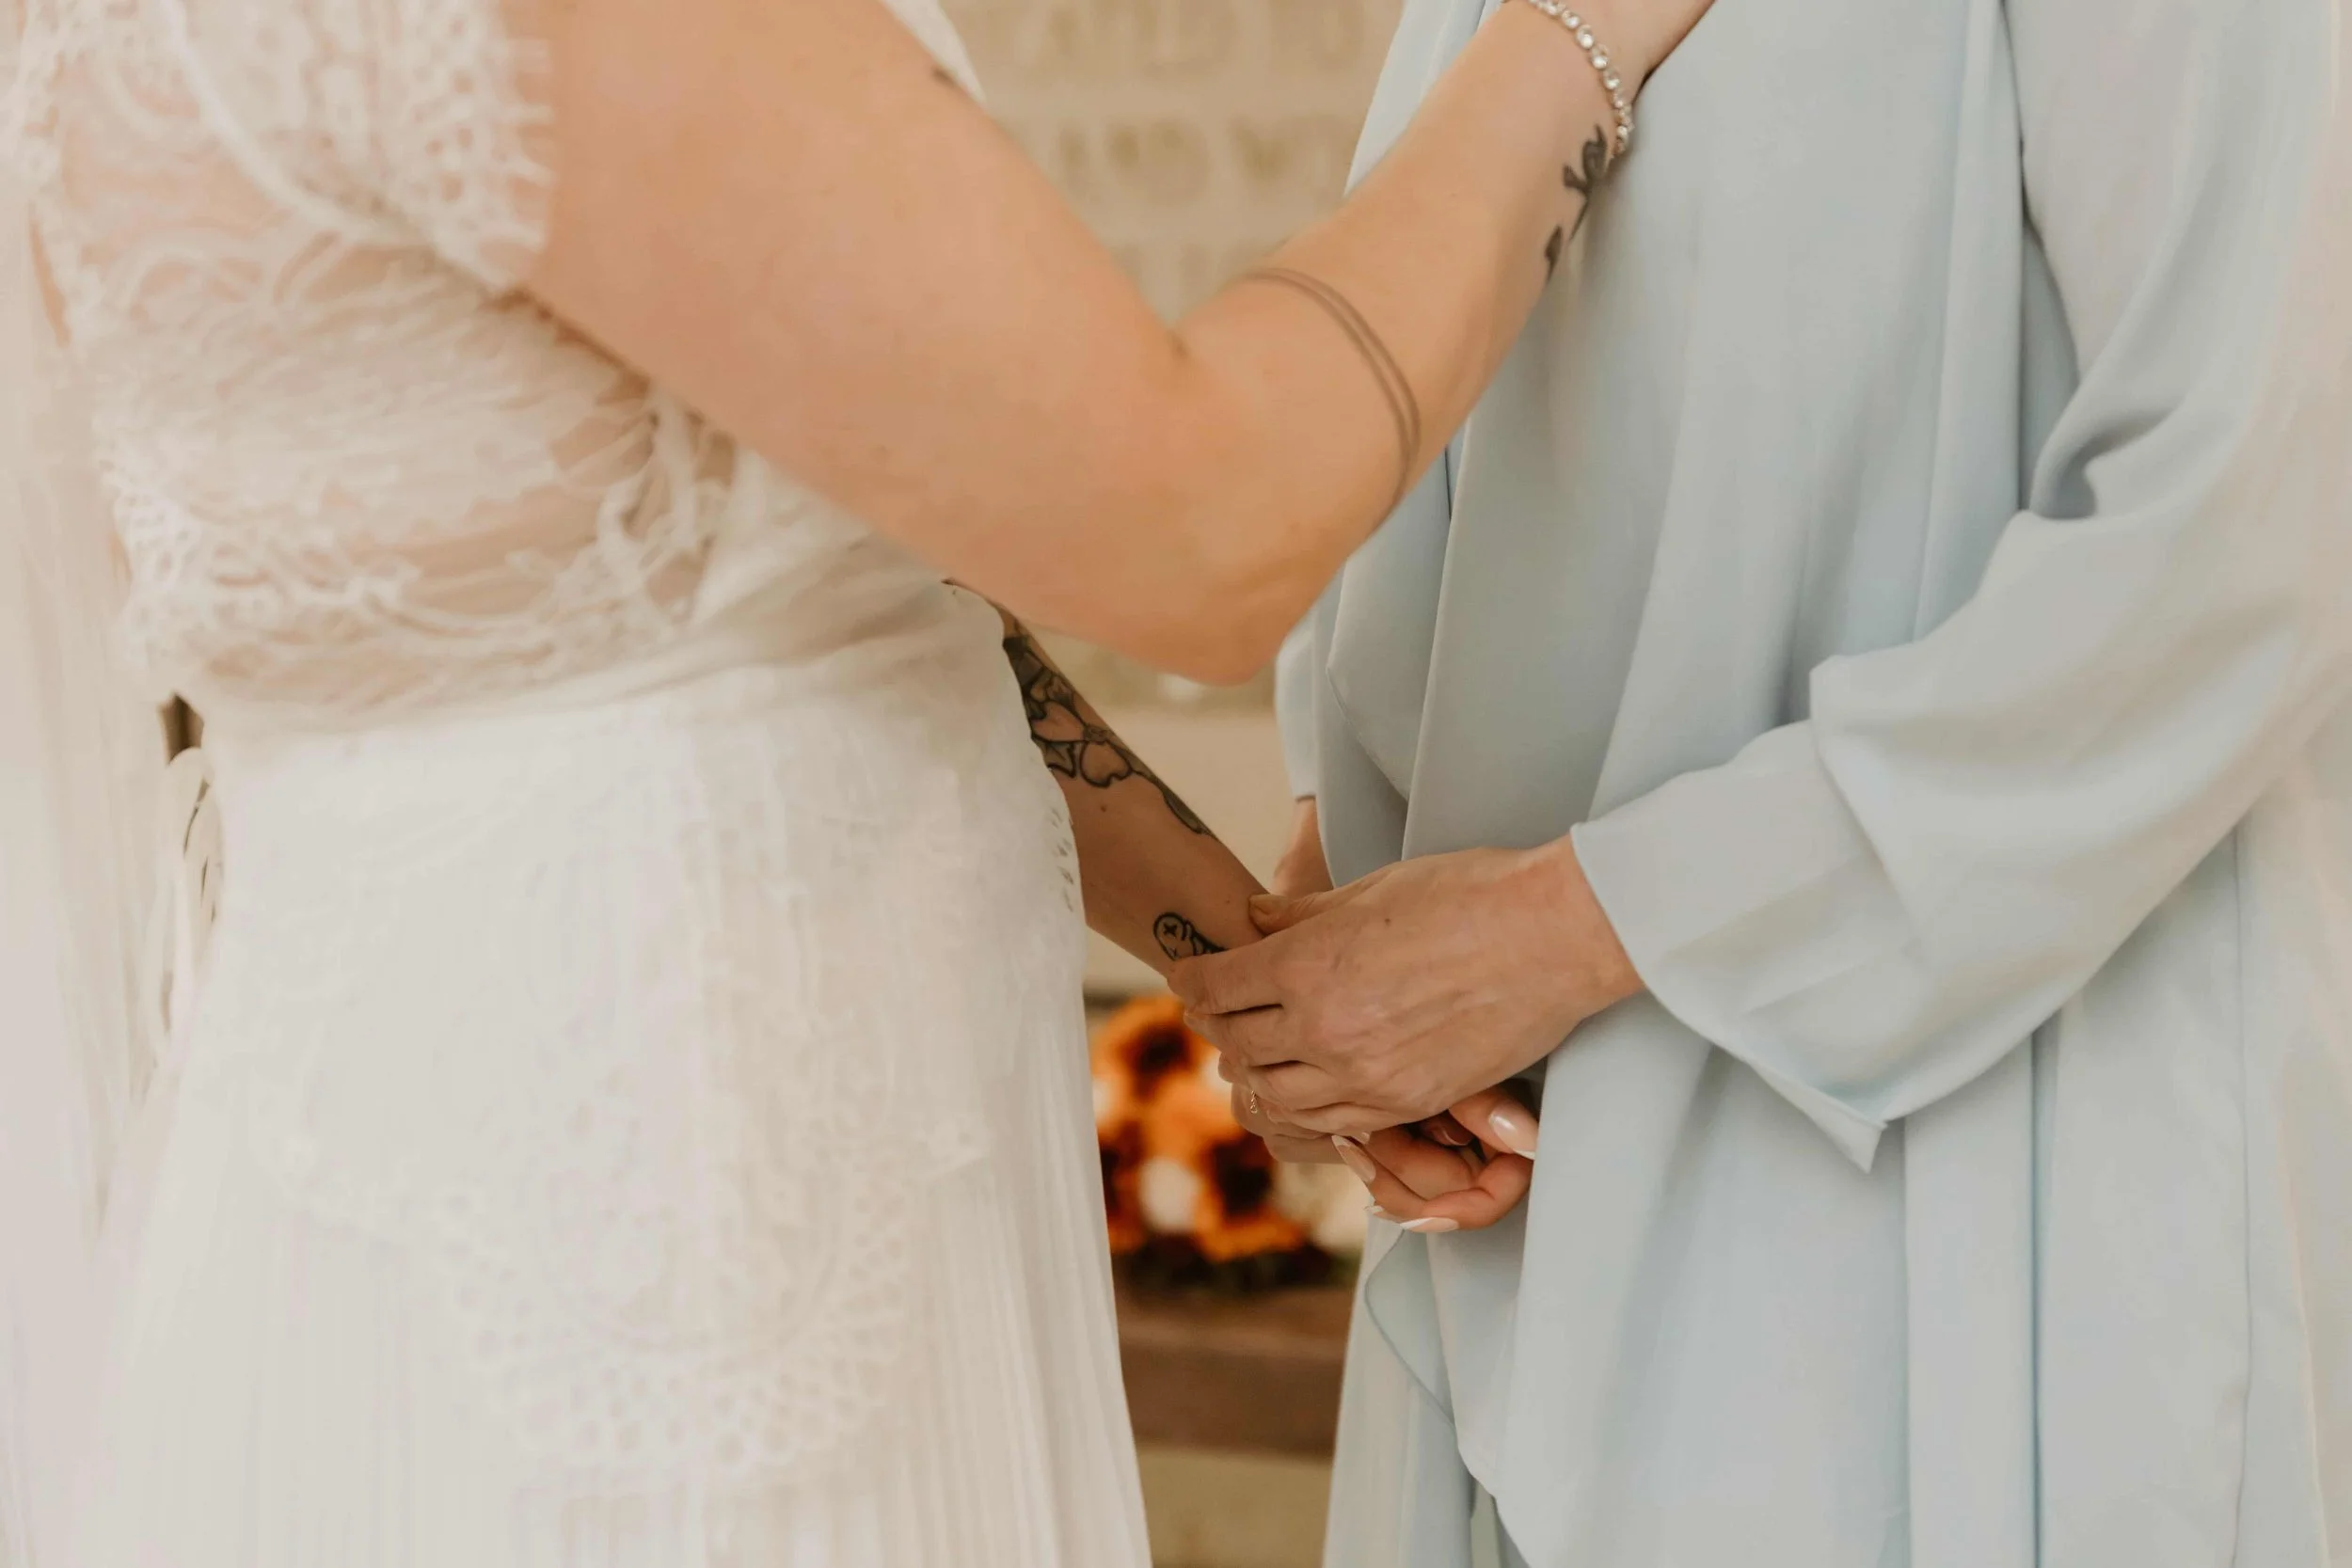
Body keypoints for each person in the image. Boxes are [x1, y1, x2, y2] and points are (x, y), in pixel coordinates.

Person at [0, 0, 1724, 1560]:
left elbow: (808, 584)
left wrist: (1242, 962)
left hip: (376, 1209)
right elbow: (1207, 529)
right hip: (664, 1258)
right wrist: (1563, 42)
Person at [1174, 0, 2352, 1563]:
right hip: (1531, 1183)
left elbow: (2236, 535)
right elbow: (1477, 465)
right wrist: (1351, 919)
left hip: (1979, 1149)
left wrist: (1553, 932)